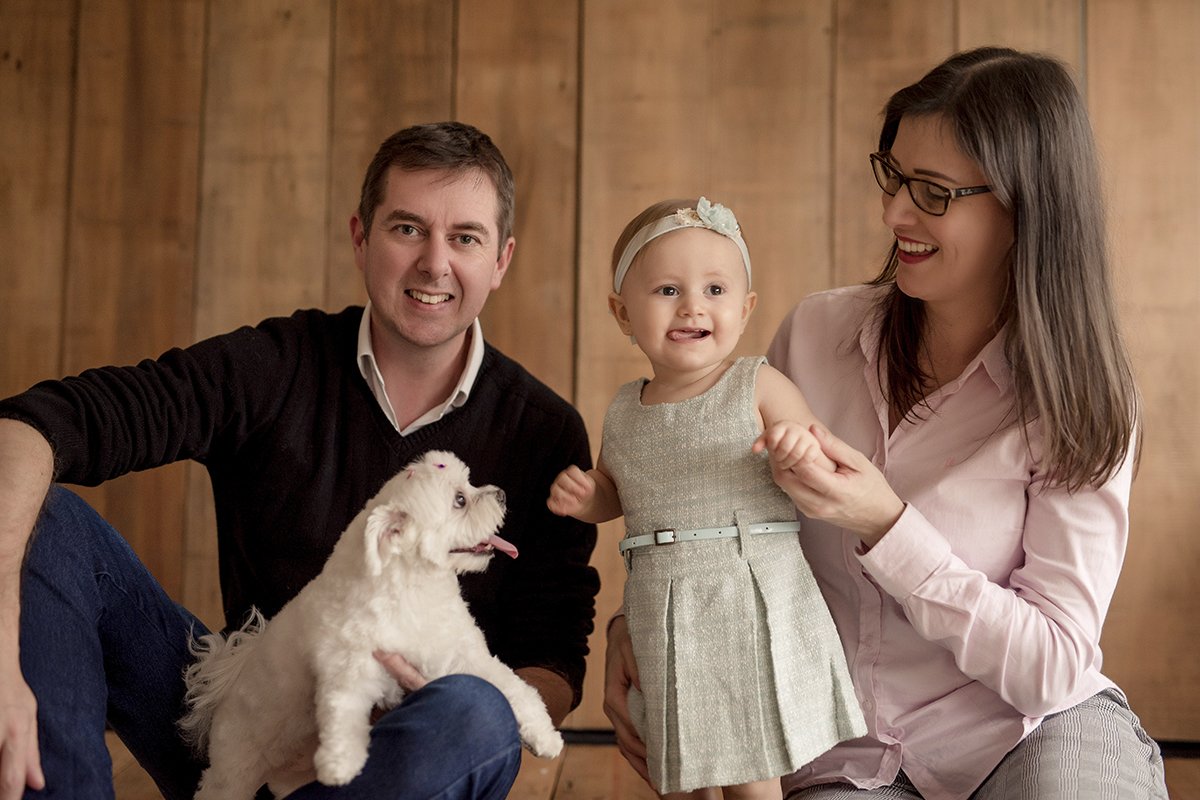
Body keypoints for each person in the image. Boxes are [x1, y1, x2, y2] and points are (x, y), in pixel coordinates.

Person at [606, 48, 1169, 800]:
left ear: (1025, 207)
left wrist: (889, 526)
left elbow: (1054, 667)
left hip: (1027, 731)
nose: (894, 213)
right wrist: (633, 628)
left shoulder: (1082, 397)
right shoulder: (814, 336)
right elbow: (703, 501)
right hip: (841, 745)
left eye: (933, 193)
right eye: (895, 176)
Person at [0, 121, 600, 800]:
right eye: (407, 229)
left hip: (393, 761)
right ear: (360, 239)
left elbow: (552, 663)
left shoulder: (545, 432)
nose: (435, 263)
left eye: (465, 237)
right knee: (47, 517)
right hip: (247, 724)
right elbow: (38, 423)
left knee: (481, 715)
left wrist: (423, 696)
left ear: (500, 260)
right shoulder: (273, 366)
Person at [548, 198, 864, 800]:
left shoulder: (758, 385)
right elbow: (618, 489)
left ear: (744, 311)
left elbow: (821, 463)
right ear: (622, 313)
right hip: (663, 601)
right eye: (667, 290)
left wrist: (796, 446)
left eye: (715, 289)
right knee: (681, 763)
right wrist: (590, 495)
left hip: (744, 594)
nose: (693, 306)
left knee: (750, 764)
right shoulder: (624, 409)